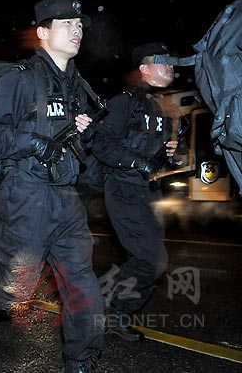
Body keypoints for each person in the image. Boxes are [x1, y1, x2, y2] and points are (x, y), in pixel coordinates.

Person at [0, 0, 104, 373]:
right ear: (42, 33)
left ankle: (81, 363)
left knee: (84, 287)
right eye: (66, 24)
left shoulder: (79, 87)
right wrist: (34, 143)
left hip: (66, 199)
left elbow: (81, 146)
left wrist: (83, 133)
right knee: (16, 287)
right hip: (26, 197)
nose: (76, 30)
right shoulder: (18, 79)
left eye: (79, 24)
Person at [92, 41, 178, 342]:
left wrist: (170, 154)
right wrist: (139, 162)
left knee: (154, 262)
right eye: (162, 61)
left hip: (150, 193)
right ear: (144, 68)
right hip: (124, 190)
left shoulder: (162, 106)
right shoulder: (125, 101)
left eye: (170, 61)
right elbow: (101, 143)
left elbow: (156, 154)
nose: (169, 66)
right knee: (152, 261)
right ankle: (104, 303)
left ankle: (117, 315)